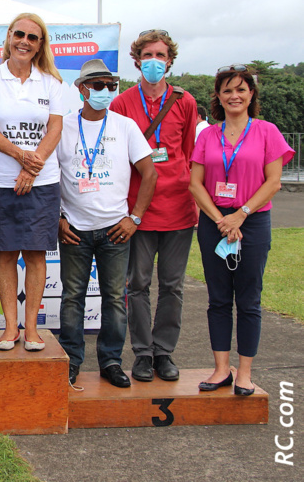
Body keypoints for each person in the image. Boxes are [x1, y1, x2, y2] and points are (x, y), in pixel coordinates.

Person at [189, 65, 294, 395]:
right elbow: (195, 183)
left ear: (251, 95)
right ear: (218, 96)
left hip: (253, 222)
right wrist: (221, 218)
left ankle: (245, 373)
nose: (234, 95)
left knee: (248, 300)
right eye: (227, 90)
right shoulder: (207, 134)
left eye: (241, 89)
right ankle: (221, 369)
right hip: (213, 222)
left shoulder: (267, 131)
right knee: (218, 299)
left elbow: (273, 182)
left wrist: (241, 214)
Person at [56, 60, 157, 388]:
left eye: (110, 86)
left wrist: (135, 218)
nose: (105, 92)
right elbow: (47, 174)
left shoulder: (125, 126)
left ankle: (111, 361)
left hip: (116, 228)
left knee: (115, 297)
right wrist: (57, 217)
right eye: (97, 86)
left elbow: (150, 173)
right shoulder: (63, 126)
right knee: (73, 296)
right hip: (75, 229)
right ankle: (71, 361)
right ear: (81, 89)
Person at [110, 29, 198, 382]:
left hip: (178, 208)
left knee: (173, 285)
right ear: (137, 60)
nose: (154, 62)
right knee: (138, 285)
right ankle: (143, 354)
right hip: (138, 210)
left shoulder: (185, 100)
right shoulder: (122, 103)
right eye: (148, 55)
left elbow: (188, 152)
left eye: (160, 56)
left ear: (170, 61)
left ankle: (165, 352)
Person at [0, 12, 64, 351]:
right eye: (20, 34)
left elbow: (54, 129)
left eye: (33, 37)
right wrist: (21, 157)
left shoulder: (51, 82)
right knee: (7, 253)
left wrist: (31, 168)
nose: (25, 41)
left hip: (42, 182)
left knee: (37, 254)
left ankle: (32, 330)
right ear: (9, 37)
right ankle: (11, 328)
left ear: (41, 45)